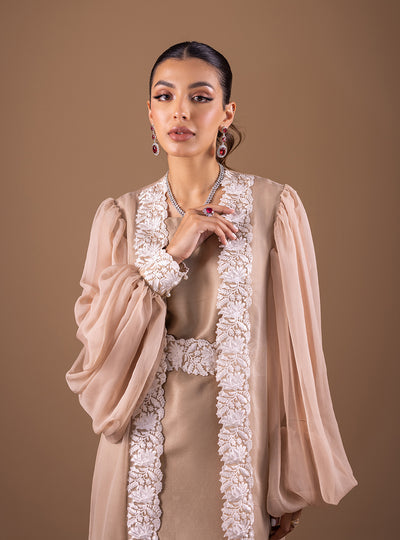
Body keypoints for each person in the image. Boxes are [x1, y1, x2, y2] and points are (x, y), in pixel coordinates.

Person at [65, 41, 358, 540]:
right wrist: (172, 253)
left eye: (200, 97)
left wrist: (291, 480)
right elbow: (99, 348)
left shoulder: (274, 210)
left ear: (227, 113)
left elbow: (296, 359)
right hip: (138, 451)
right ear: (150, 113)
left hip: (239, 453)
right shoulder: (120, 218)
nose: (180, 111)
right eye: (165, 96)